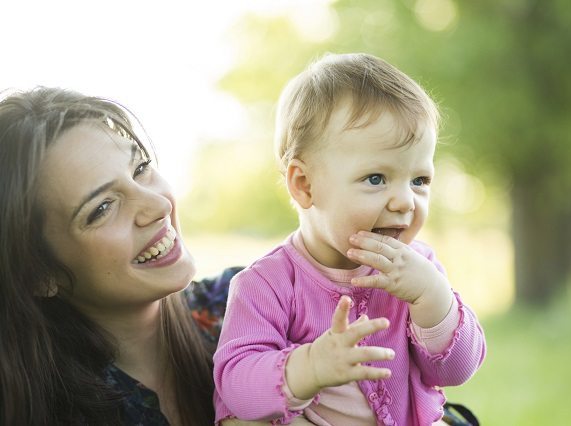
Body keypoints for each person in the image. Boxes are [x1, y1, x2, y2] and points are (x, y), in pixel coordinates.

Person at [213, 53, 487, 425]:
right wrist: (310, 366)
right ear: (304, 185)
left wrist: (433, 298)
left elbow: (455, 371)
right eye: (376, 178)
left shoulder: (417, 273)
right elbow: (235, 386)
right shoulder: (266, 284)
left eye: (420, 180)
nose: (406, 201)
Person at [0, 87, 237, 426]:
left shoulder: (266, 303)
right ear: (39, 274)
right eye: (102, 208)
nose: (158, 206)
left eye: (140, 168)